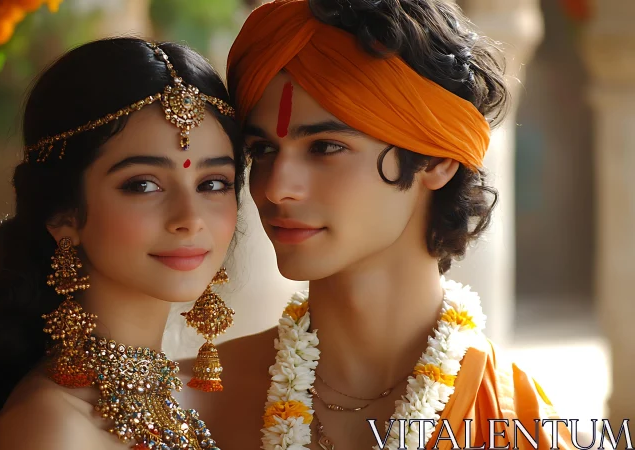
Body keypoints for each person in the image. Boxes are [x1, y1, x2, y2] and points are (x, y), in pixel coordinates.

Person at [182, 1, 572, 449]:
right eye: (263, 151)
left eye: (325, 148)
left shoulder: (518, 423)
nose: (275, 188)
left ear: (437, 159)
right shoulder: (190, 406)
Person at [0, 37, 246, 450]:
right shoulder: (53, 428)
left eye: (212, 183)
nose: (190, 219)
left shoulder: (172, 397)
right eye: (143, 185)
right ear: (62, 215)